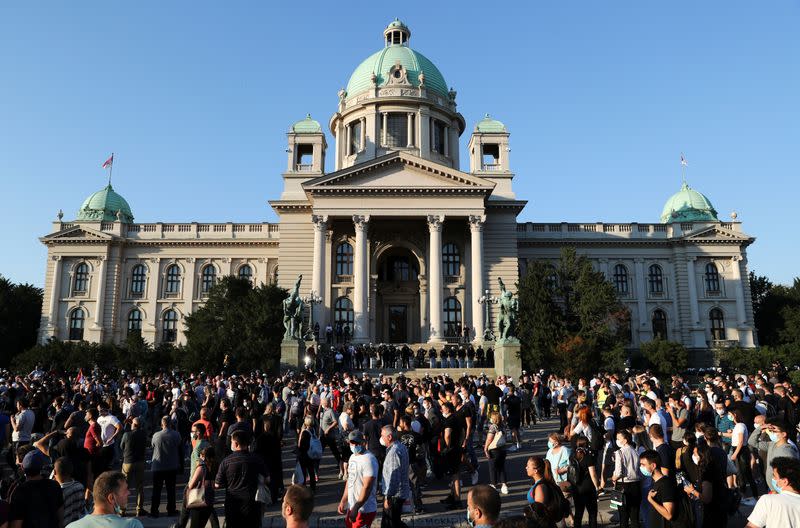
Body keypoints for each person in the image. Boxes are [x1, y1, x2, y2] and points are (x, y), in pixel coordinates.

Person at [214, 430, 267, 528]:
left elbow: (217, 484)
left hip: (232, 503)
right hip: (252, 502)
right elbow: (267, 479)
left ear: (236, 443)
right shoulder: (257, 459)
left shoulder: (226, 462)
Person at [66, 471, 144, 528]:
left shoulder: (71, 526)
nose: (129, 493)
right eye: (125, 490)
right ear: (111, 498)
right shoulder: (133, 525)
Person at [8, 451, 64, 528]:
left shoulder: (19, 491)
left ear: (22, 468)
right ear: (41, 467)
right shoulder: (54, 485)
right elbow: (61, 517)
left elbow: (16, 525)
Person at [338, 430, 378, 528]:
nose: (354, 445)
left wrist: (357, 507)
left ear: (363, 443)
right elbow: (350, 480)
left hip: (364, 509)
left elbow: (367, 487)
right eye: (352, 442)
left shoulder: (369, 459)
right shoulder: (352, 457)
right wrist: (343, 500)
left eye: (356, 443)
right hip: (352, 507)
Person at [746, 456, 800, 528]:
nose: (773, 479)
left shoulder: (768, 500)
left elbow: (752, 527)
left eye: (774, 476)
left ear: (785, 481)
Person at [639, 450, 688, 528]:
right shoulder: (655, 482)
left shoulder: (665, 484)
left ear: (653, 466)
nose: (641, 467)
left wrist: (651, 500)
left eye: (643, 465)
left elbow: (669, 515)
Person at [150, 416, 182, 517]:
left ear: (162, 424)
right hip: (171, 465)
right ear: (171, 423)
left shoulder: (156, 435)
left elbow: (153, 446)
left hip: (158, 465)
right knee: (171, 489)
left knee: (156, 490)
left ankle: (154, 511)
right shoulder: (176, 434)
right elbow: (179, 446)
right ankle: (171, 510)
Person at [380, 425, 410, 528]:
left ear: (389, 437)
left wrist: (388, 497)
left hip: (394, 495)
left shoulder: (394, 452)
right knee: (395, 522)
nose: (381, 438)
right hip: (398, 493)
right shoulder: (401, 447)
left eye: (382, 436)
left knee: (389, 524)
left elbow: (394, 477)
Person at [610, 429, 641, 528]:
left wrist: (613, 477)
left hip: (623, 485)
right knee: (635, 516)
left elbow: (618, 472)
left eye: (619, 438)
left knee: (623, 516)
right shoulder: (635, 451)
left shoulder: (619, 453)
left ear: (625, 440)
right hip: (636, 484)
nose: (617, 440)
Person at [119, 417, 146, 517]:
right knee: (140, 487)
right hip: (140, 462)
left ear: (133, 425)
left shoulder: (127, 434)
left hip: (128, 462)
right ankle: (139, 509)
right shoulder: (143, 434)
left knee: (125, 487)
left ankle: (122, 510)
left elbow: (121, 446)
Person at [184, 446, 216, 528]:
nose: (200, 457)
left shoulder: (201, 468)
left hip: (198, 503)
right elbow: (214, 485)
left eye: (201, 455)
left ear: (204, 457)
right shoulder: (213, 468)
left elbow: (191, 485)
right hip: (208, 502)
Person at [571, 437, 600, 528]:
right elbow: (593, 474)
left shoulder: (572, 456)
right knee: (592, 513)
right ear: (587, 445)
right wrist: (597, 486)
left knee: (578, 513)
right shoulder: (588, 457)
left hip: (576, 488)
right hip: (588, 488)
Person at [54, 457, 87, 525]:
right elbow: (82, 508)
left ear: (54, 472)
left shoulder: (58, 492)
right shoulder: (79, 486)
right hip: (78, 523)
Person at [484, 411, 509, 495]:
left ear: (493, 418)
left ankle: (494, 484)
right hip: (503, 449)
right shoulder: (503, 426)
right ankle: (504, 485)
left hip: (494, 450)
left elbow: (489, 439)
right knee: (501, 467)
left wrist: (485, 448)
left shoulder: (493, 427)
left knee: (492, 468)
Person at [297, 415, 318, 492]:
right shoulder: (313, 430)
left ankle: (304, 488)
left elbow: (301, 445)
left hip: (304, 454)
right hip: (311, 454)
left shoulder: (305, 432)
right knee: (311, 471)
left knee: (303, 472)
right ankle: (313, 488)